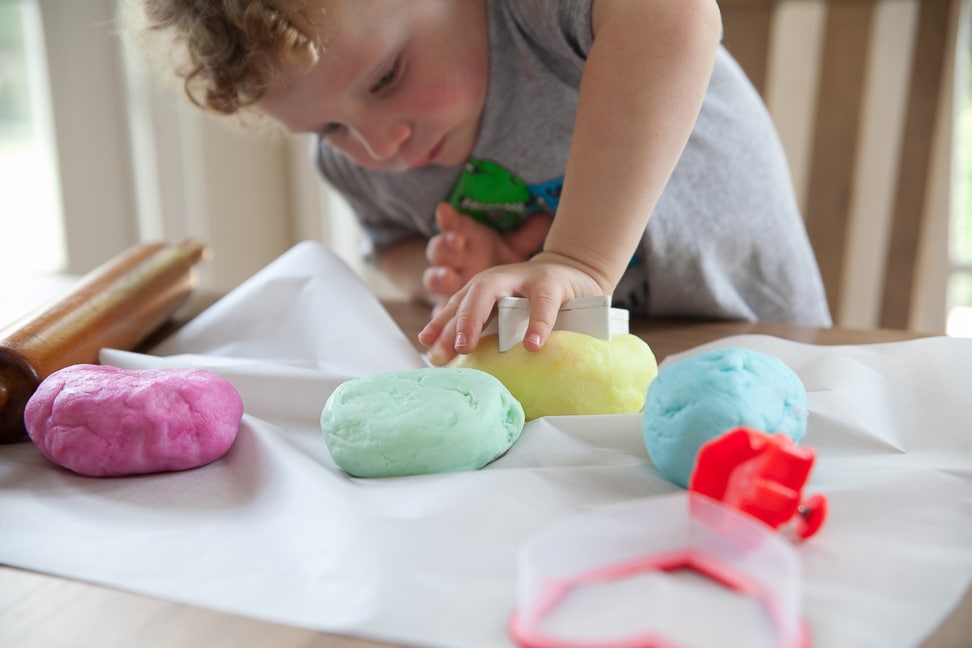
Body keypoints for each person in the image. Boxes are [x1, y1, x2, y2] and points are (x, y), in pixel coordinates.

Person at [133, 0, 832, 366]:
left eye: (385, 78)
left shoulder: (533, 16)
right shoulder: (354, 165)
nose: (381, 147)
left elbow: (674, 15)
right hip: (598, 405)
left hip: (768, 342)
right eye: (328, 129)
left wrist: (575, 260)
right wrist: (451, 277)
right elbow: (394, 247)